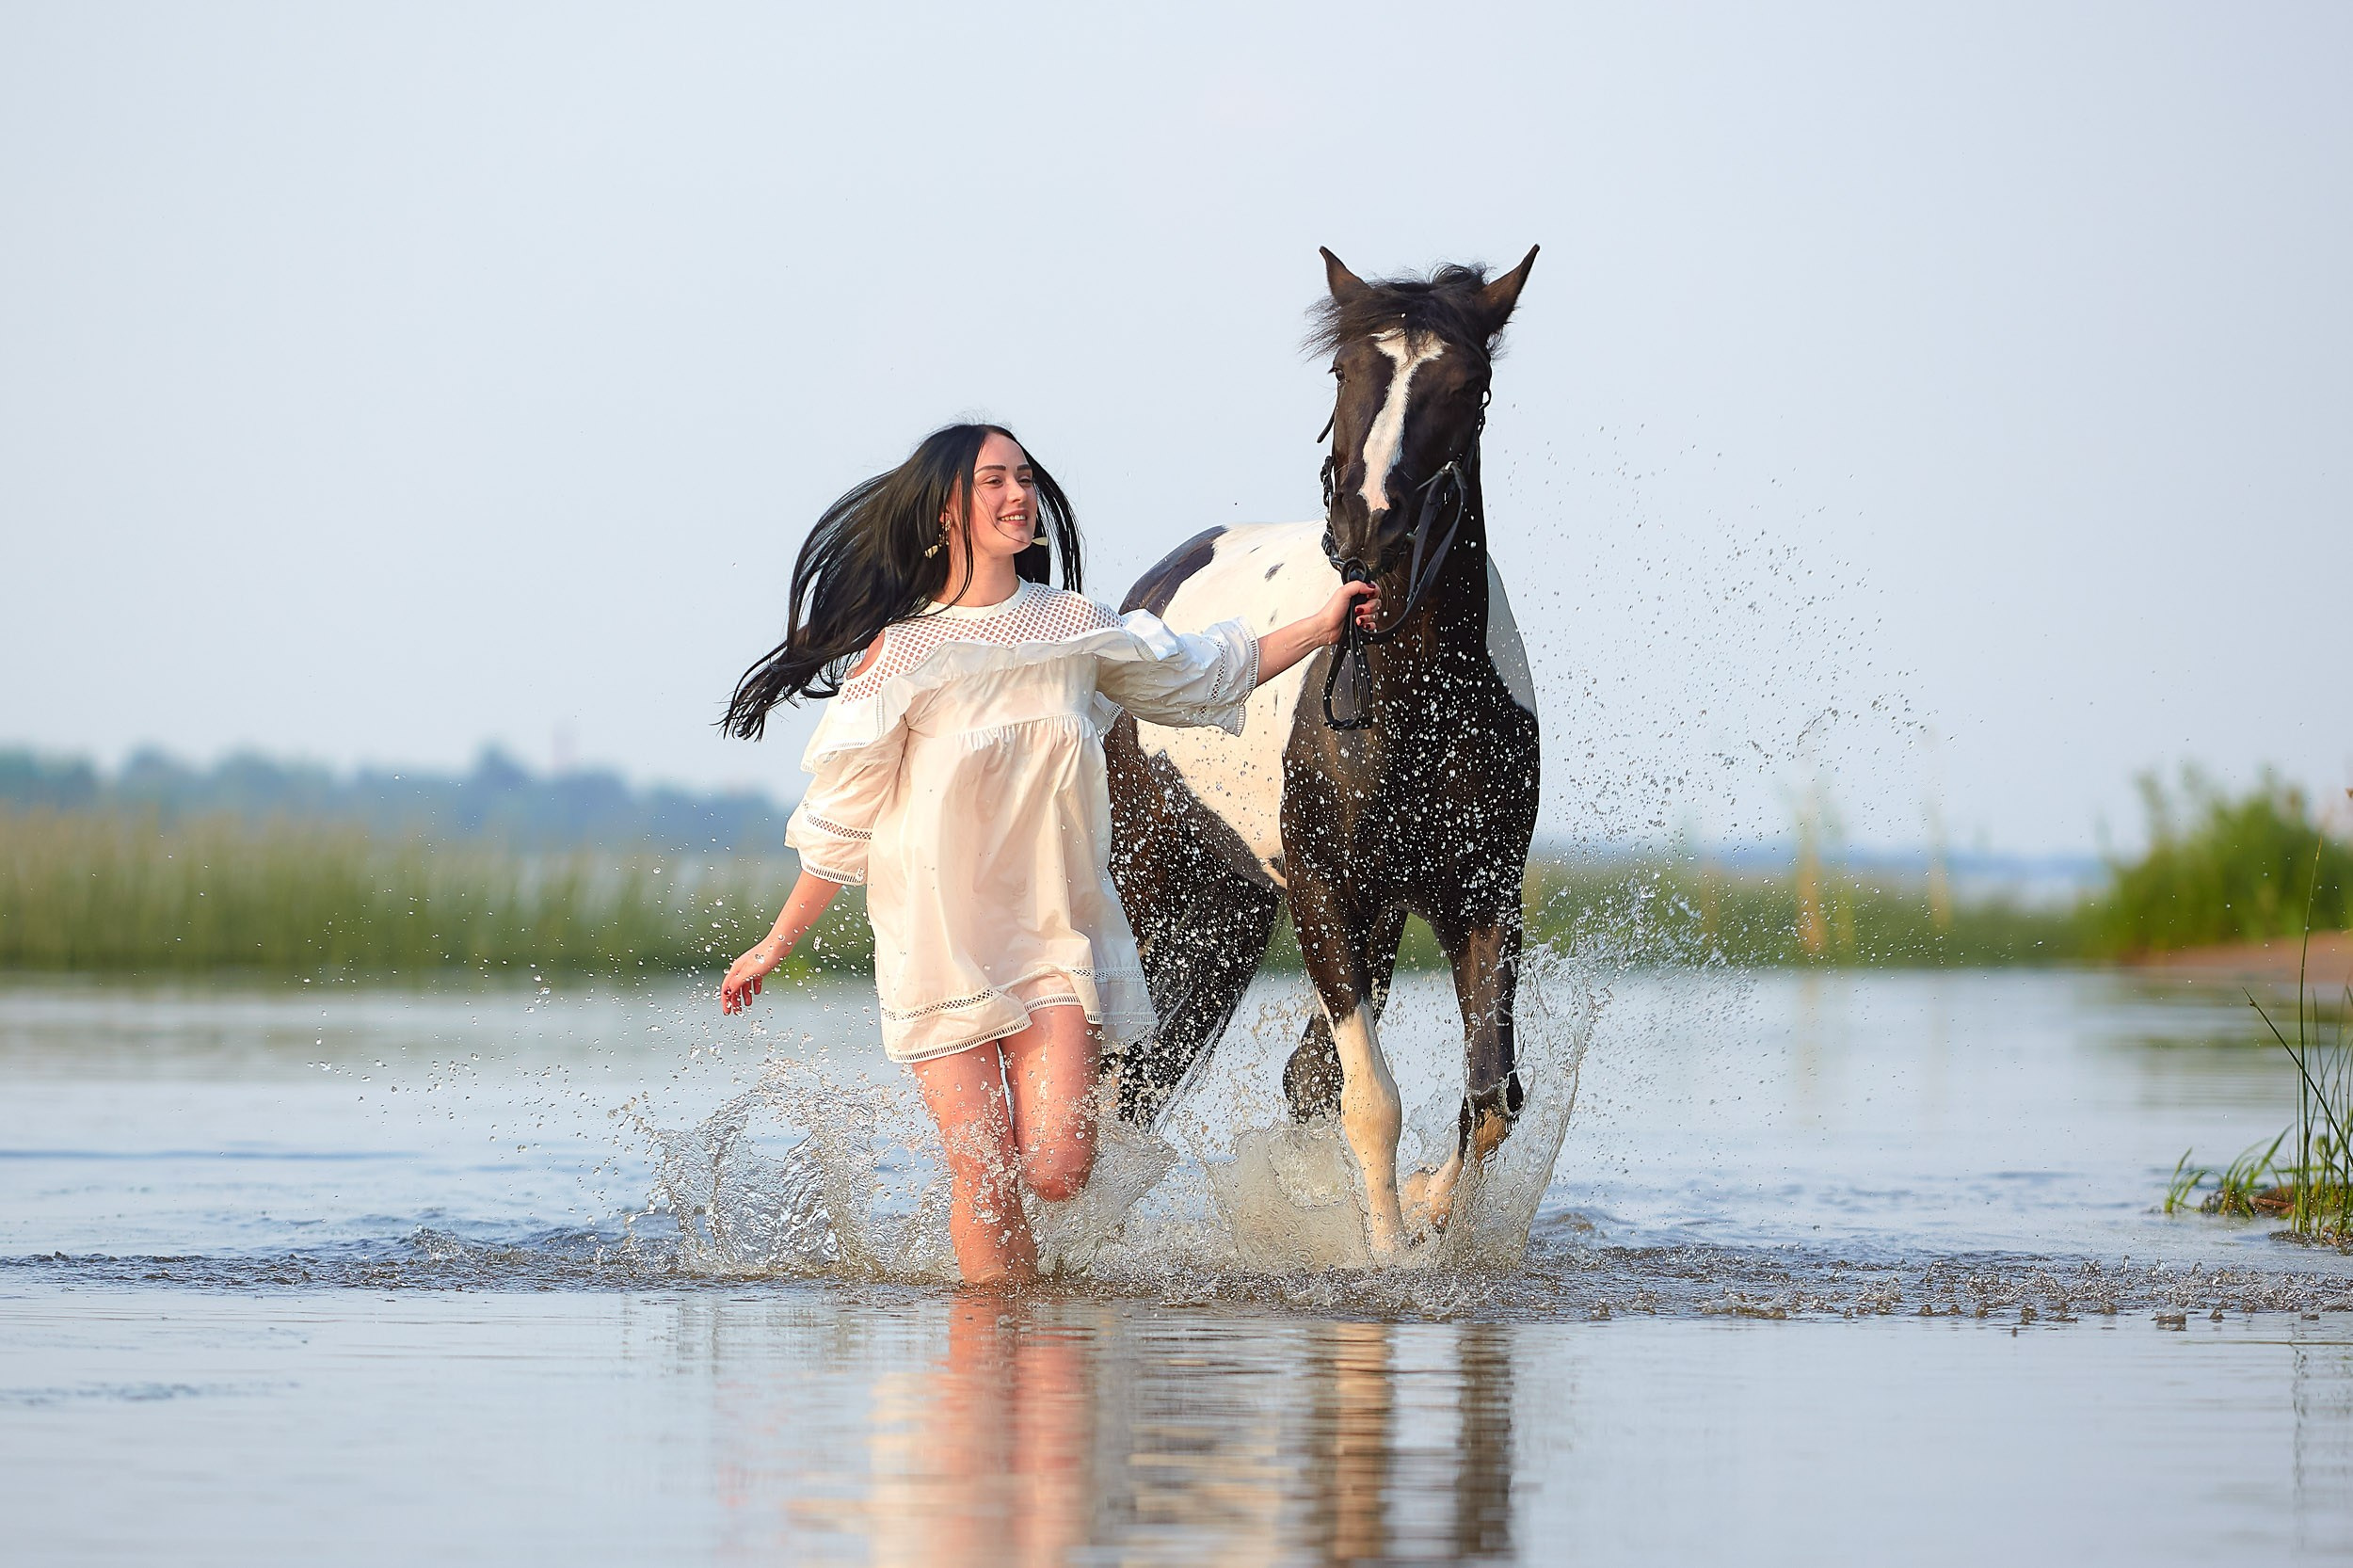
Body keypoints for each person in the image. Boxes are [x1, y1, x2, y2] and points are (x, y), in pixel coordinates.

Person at [717, 423, 1377, 1284]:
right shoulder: (903, 653)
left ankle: (1033, 1318)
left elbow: (1203, 671)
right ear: (945, 512)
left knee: (1059, 1168)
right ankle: (997, 1365)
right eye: (993, 481)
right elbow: (843, 818)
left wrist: (1321, 625)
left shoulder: (1075, 627)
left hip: (1056, 932)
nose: (1017, 496)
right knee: (984, 1175)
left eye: (1024, 478)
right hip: (940, 939)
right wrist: (776, 941)